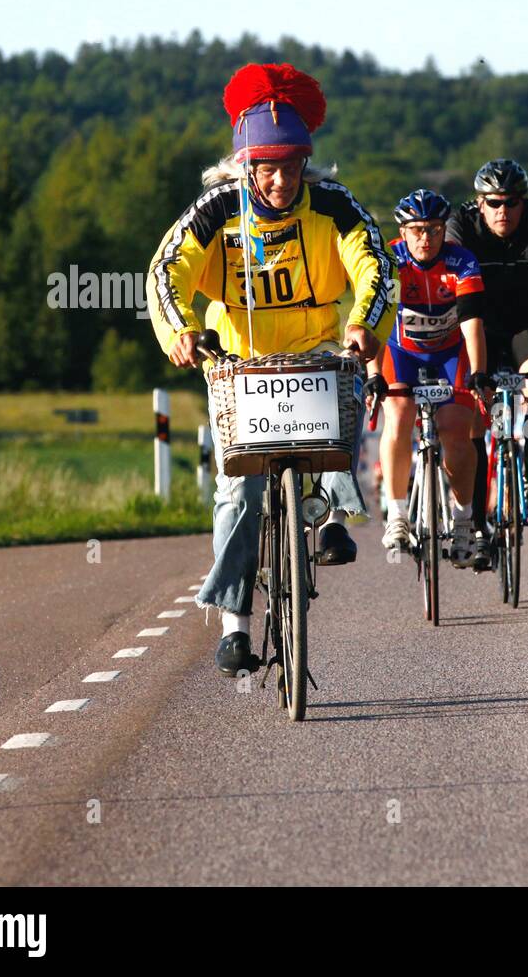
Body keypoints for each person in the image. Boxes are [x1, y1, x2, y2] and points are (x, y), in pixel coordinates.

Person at [147, 63, 395, 676]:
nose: (280, 180)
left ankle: (336, 517)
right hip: (239, 365)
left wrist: (363, 322)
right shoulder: (215, 211)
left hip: (316, 353)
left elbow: (376, 267)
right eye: (267, 167)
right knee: (239, 491)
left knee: (340, 410)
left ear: (305, 162)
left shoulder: (335, 207)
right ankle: (234, 625)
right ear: (246, 167)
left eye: (291, 166)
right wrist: (181, 331)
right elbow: (166, 272)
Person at [445, 159, 528, 566]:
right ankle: (479, 526)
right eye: (494, 202)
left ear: (524, 202)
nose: (503, 211)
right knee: (476, 419)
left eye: (512, 202)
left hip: (526, 322)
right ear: (480, 203)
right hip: (475, 323)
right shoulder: (460, 225)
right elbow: (456, 296)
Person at [369, 189, 491, 567]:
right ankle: (399, 514)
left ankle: (463, 519)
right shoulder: (389, 261)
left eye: (435, 229)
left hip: (450, 353)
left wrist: (480, 374)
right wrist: (375, 374)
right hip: (401, 352)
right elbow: (376, 320)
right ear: (403, 232)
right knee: (401, 415)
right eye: (418, 230)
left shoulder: (462, 261)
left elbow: (472, 325)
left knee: (456, 427)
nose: (427, 238)